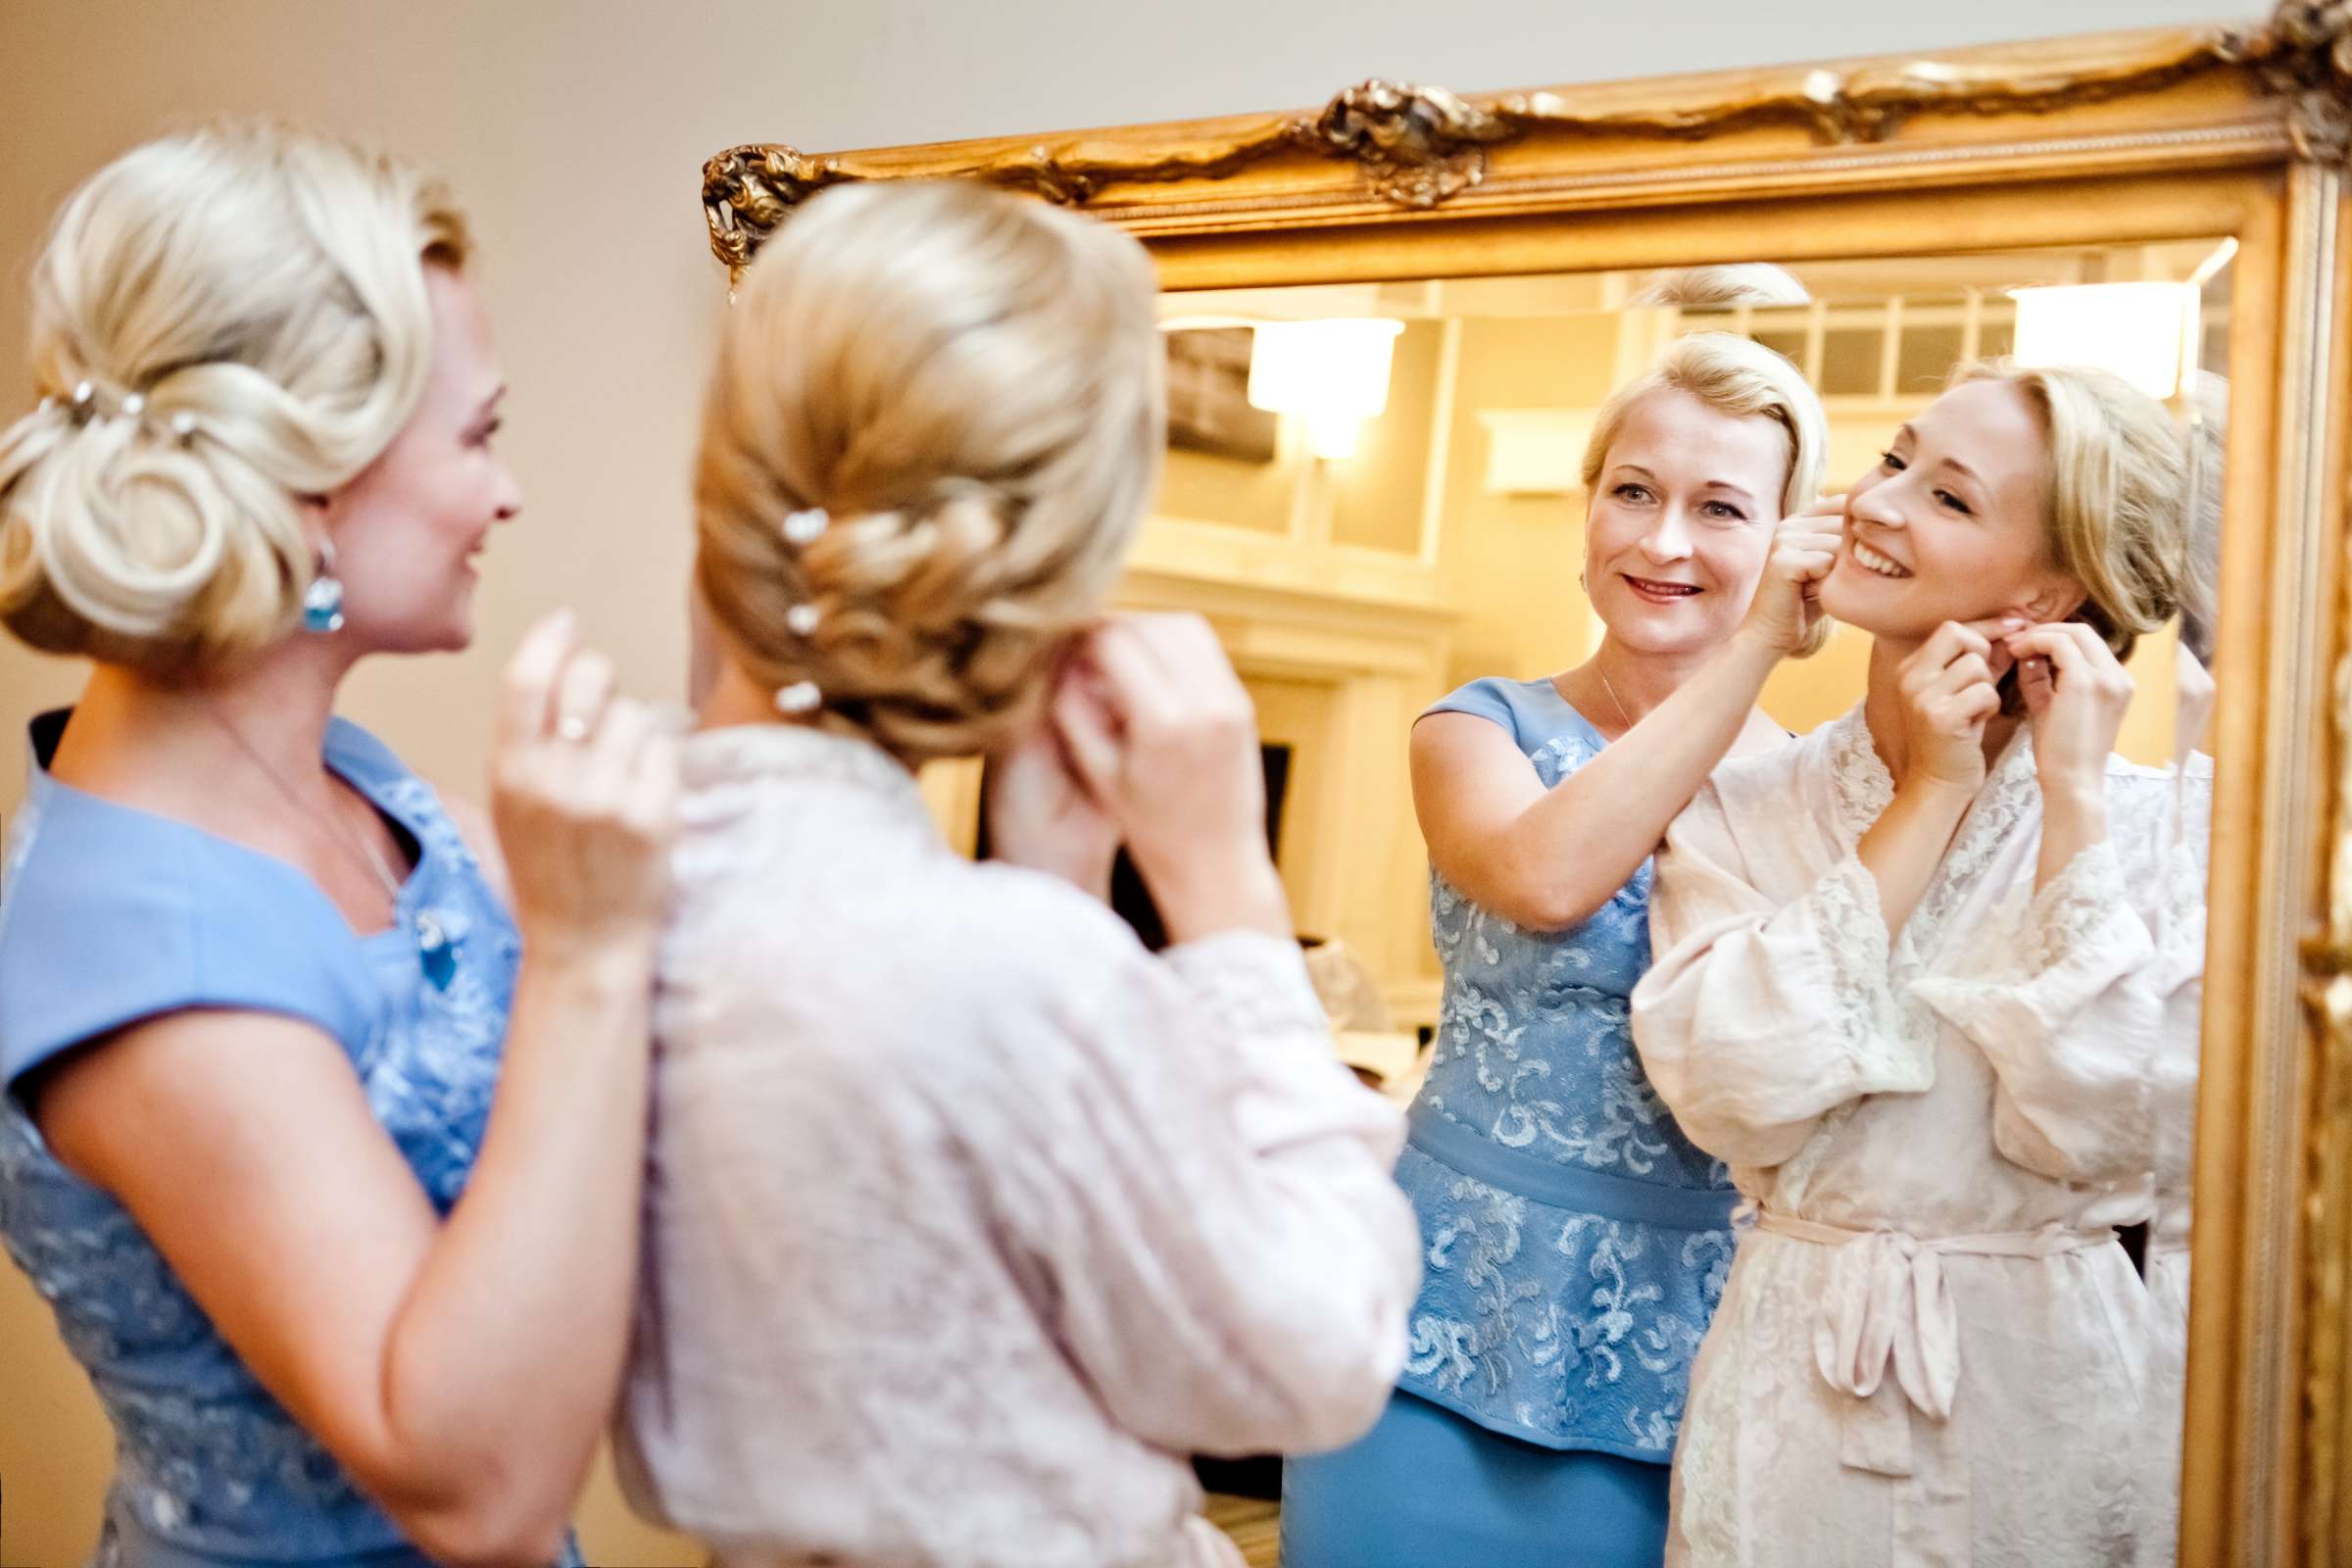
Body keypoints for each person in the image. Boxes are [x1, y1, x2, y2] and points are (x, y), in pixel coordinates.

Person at [612, 178, 1422, 1568]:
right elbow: (1316, 1356)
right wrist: (1227, 897)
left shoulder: (602, 880)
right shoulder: (998, 969)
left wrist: (1048, 886)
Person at [0, 123, 676, 1567]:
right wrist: (592, 957)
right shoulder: (148, 958)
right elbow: (477, 1490)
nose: (506, 494)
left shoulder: (332, 773)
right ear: (316, 486)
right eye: (479, 435)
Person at [1631, 362, 2203, 1566]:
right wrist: (1932, 797)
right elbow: (1727, 1085)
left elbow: (2109, 1133)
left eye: (1949, 498)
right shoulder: (1742, 802)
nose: (1878, 502)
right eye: (1894, 460)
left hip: (2040, 1396)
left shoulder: (2159, 829)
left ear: (2052, 588)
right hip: (1791, 1379)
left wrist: (2075, 800)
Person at [1280, 324, 1833, 1568]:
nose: (1665, 541)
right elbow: (1546, 876)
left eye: (1722, 508)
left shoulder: (1810, 795)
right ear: (1587, 510)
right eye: (1633, 491)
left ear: (1787, 537)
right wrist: (1753, 651)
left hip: (1692, 1355)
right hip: (1427, 1322)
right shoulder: (1475, 729)